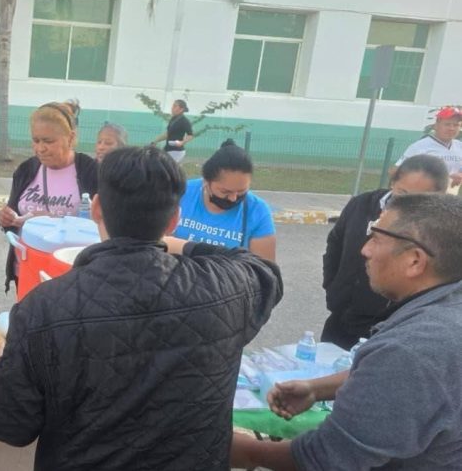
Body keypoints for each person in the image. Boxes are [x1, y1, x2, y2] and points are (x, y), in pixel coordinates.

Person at [0, 146, 283, 470]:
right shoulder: (226, 289)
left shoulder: (41, 308)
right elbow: (263, 270)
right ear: (174, 220)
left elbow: (10, 425)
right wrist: (182, 246)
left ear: (96, 208)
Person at [232, 193, 462, 471]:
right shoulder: (447, 309)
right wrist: (317, 389)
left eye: (376, 238)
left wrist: (247, 452)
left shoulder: (411, 350)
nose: (365, 250)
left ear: (415, 260)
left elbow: (328, 458)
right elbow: (405, 385)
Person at [322, 154, 449, 349]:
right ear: (393, 182)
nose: (406, 205)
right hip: (341, 313)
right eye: (403, 193)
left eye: (419, 199)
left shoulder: (434, 229)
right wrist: (332, 285)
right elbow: (335, 243)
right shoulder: (361, 204)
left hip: (385, 324)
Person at [0, 100, 99, 292]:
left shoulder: (91, 171)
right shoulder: (26, 170)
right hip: (27, 270)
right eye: (36, 141)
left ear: (71, 137)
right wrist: (6, 219)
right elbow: (13, 219)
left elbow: (104, 227)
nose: (40, 148)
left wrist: (51, 219)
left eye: (48, 141)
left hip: (72, 275)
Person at [169, 139, 276, 261]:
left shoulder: (257, 211)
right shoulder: (180, 194)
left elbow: (264, 270)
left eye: (241, 191)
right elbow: (157, 244)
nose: (233, 198)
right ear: (205, 181)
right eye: (225, 192)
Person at [393, 106, 462, 191]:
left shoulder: (459, 146)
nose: (451, 128)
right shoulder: (420, 146)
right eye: (447, 124)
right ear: (436, 126)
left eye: (456, 125)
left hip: (449, 197)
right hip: (423, 196)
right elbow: (396, 171)